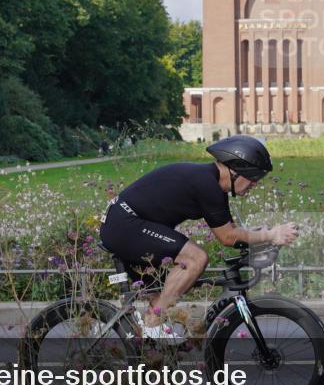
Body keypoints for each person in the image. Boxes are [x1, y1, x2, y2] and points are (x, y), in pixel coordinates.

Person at [99, 135, 298, 342]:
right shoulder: (207, 184)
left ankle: (148, 354)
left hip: (127, 224)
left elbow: (231, 230)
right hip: (124, 225)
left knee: (161, 299)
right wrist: (271, 234)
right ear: (236, 170)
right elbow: (228, 237)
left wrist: (261, 237)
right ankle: (151, 324)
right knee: (196, 258)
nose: (255, 184)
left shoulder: (211, 183)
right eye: (254, 176)